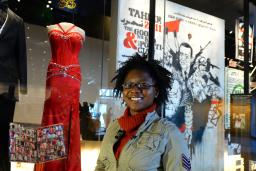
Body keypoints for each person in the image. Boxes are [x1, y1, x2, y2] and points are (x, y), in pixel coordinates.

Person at [95, 54, 191, 171]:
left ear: (155, 91)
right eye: (129, 85)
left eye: (143, 85)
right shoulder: (113, 127)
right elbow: (101, 166)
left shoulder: (169, 132)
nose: (134, 90)